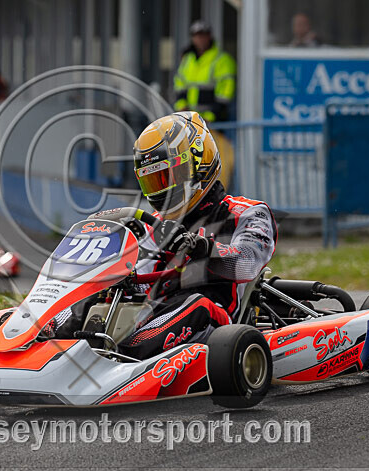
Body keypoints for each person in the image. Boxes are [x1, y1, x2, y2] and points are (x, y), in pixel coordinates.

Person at [55, 112, 277, 360]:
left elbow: (246, 263)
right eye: (153, 181)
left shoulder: (247, 212)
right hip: (155, 312)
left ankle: (120, 357)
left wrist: (201, 248)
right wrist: (117, 273)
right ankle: (48, 336)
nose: (162, 190)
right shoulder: (157, 224)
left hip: (216, 321)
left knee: (195, 303)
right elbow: (142, 273)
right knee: (98, 293)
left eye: (168, 177)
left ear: (199, 163)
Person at [173, 21, 236, 190]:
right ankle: (192, 192)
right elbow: (180, 85)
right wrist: (181, 107)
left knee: (215, 157)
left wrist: (211, 117)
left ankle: (217, 191)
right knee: (191, 159)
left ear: (209, 37)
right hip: (192, 122)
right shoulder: (188, 59)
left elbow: (225, 93)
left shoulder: (221, 60)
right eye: (196, 36)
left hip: (213, 123)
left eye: (203, 35)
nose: (200, 39)